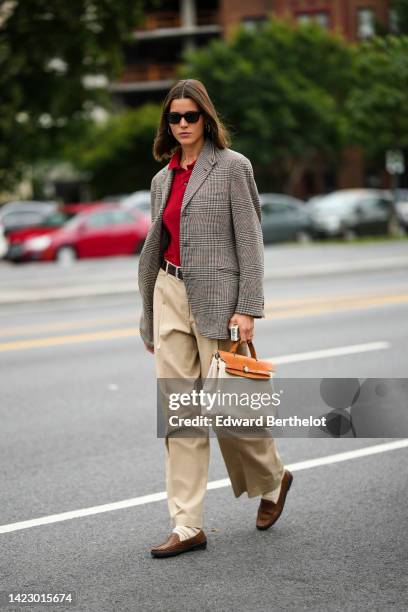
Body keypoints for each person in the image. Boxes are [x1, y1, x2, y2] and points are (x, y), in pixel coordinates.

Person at [138, 78, 293, 558]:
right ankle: (187, 525)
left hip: (221, 300)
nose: (182, 124)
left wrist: (248, 306)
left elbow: (250, 240)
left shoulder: (231, 168)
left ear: (206, 118)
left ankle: (272, 478)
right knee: (180, 413)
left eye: (191, 116)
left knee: (231, 408)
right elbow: (156, 244)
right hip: (169, 290)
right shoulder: (162, 179)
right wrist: (149, 315)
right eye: (174, 117)